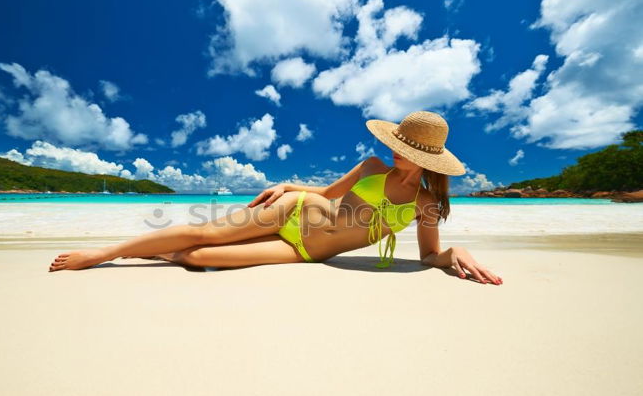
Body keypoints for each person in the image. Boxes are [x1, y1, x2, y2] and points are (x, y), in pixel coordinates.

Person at [48, 111, 503, 285]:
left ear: (428, 160)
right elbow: (325, 195)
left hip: (302, 250)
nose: (394, 151)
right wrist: (289, 186)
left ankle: (156, 254)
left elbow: (427, 258)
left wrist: (452, 253)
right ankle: (105, 254)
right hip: (298, 211)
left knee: (200, 258)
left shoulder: (425, 204)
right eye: (396, 142)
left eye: (403, 148)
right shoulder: (371, 166)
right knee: (208, 231)